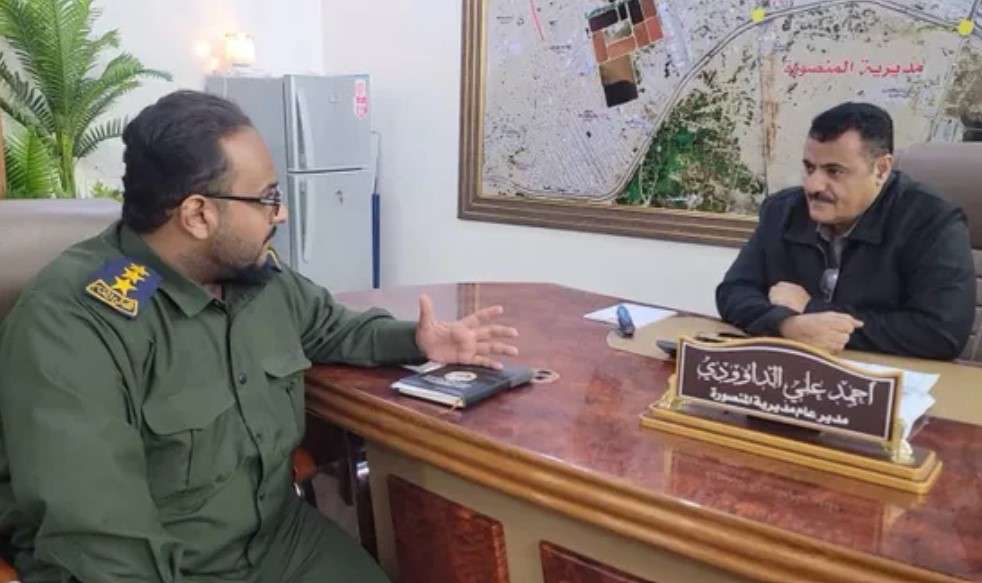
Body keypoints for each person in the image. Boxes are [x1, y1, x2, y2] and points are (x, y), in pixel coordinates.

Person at [0, 90, 519, 582]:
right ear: (198, 215)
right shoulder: (74, 322)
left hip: (277, 540)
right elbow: (102, 544)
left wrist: (418, 342)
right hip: (172, 564)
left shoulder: (254, 277)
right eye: (268, 198)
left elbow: (332, 326)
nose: (282, 214)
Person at [716, 102, 975, 360]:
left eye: (834, 171)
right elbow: (733, 292)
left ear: (881, 169)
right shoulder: (783, 210)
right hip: (802, 368)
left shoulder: (931, 221)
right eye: (809, 168)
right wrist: (786, 325)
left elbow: (942, 333)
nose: (813, 186)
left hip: (894, 375)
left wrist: (811, 309)